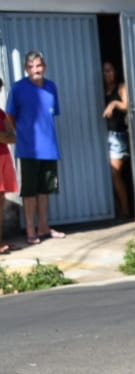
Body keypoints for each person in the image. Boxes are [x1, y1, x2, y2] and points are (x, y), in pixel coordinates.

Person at [7, 50, 64, 244]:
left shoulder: (51, 87)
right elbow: (10, 116)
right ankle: (31, 230)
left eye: (38, 66)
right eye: (31, 67)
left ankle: (44, 227)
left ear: (44, 67)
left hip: (49, 148)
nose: (35, 70)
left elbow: (51, 114)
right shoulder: (17, 89)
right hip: (27, 149)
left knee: (44, 190)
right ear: (26, 69)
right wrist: (21, 134)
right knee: (29, 191)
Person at [102, 60, 131, 220]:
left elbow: (127, 105)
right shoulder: (101, 89)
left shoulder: (121, 87)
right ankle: (117, 211)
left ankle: (126, 211)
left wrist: (114, 103)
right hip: (104, 136)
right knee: (107, 175)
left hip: (118, 136)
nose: (108, 74)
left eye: (110, 70)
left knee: (115, 173)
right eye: (105, 71)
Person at [0, 81, 19, 255]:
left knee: (1, 200)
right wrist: (4, 136)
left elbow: (13, 137)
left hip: (3, 159)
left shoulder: (1, 114)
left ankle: (0, 240)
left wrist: (4, 136)